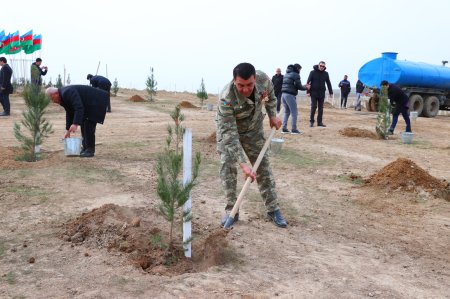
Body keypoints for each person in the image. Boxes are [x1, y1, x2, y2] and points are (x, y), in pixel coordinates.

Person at [216, 62, 287, 228]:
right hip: (230, 131)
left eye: (249, 85)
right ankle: (232, 211)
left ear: (255, 79)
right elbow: (229, 134)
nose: (246, 89)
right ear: (234, 81)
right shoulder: (227, 98)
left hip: (253, 129)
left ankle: (273, 209)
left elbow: (271, 96)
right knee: (228, 167)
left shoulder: (263, 79)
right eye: (241, 85)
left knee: (263, 166)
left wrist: (272, 116)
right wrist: (244, 165)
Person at [45, 85, 109, 157]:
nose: (53, 101)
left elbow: (78, 107)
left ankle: (90, 150)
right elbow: (69, 112)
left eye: (52, 99)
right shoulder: (63, 97)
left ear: (55, 94)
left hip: (96, 101)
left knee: (88, 125)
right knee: (84, 124)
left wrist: (75, 124)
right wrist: (68, 130)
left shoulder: (67, 93)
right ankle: (85, 148)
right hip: (88, 104)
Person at [280, 63, 309, 134]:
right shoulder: (296, 75)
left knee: (287, 111)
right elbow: (299, 86)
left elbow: (293, 85)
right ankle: (294, 129)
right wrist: (306, 87)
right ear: (297, 69)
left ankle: (284, 128)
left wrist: (303, 86)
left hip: (283, 94)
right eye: (300, 69)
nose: (300, 71)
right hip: (290, 95)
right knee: (294, 112)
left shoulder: (286, 74)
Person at [307, 61, 333, 127]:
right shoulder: (312, 72)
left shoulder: (326, 73)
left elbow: (328, 83)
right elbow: (308, 82)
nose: (321, 67)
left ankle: (319, 122)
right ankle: (311, 121)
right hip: (313, 92)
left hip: (321, 93)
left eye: (323, 66)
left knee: (321, 108)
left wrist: (331, 92)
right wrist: (308, 92)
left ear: (324, 67)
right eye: (320, 66)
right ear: (318, 65)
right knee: (314, 107)